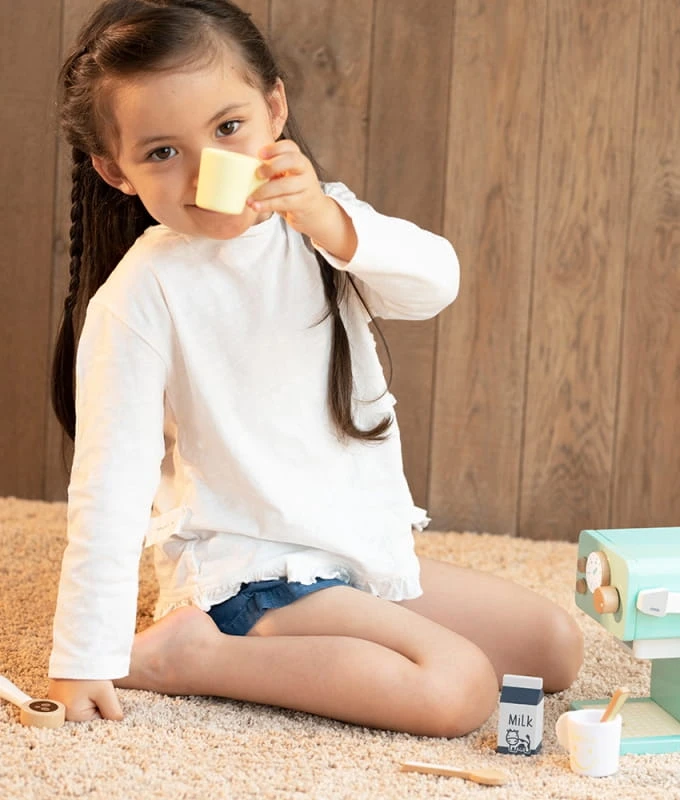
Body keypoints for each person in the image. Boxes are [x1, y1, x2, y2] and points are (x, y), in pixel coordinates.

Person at [48, 0, 583, 737]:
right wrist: (86, 655)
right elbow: (109, 484)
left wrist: (332, 225)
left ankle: (304, 624)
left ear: (275, 109)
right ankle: (186, 654)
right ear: (117, 172)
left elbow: (436, 283)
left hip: (348, 551)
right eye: (163, 152)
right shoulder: (142, 294)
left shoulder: (323, 223)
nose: (207, 171)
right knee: (458, 687)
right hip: (249, 572)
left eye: (228, 129)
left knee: (553, 649)